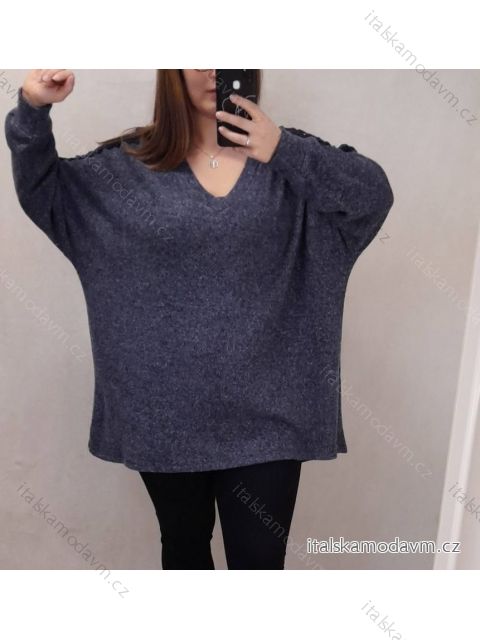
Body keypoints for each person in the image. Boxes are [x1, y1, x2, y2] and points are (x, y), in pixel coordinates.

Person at [4, 69, 394, 569]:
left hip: (270, 414)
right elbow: (45, 191)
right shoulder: (126, 168)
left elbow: (371, 196)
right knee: (185, 551)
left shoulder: (285, 159)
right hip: (164, 413)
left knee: (259, 563)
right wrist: (33, 109)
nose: (212, 69)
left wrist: (282, 149)